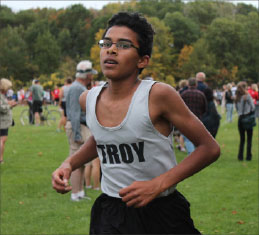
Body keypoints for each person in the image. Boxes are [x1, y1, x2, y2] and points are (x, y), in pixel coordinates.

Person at [52, 12, 220, 234]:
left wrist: (158, 185)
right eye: (107, 43)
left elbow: (209, 148)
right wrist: (69, 164)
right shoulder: (88, 98)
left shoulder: (158, 95)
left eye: (123, 45)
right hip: (110, 211)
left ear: (143, 60)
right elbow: (102, 139)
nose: (111, 50)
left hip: (160, 211)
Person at [65, 60, 97, 201]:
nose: (92, 76)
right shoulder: (77, 88)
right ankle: (75, 193)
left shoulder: (79, 87)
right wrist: (77, 133)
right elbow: (74, 113)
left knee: (83, 161)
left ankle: (80, 192)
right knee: (76, 162)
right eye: (90, 73)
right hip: (77, 126)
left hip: (82, 126)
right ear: (85, 74)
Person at [181, 77, 207, 154]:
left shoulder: (184, 94)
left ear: (188, 84)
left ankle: (192, 155)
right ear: (196, 84)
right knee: (196, 138)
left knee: (188, 138)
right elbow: (205, 108)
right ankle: (195, 154)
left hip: (186, 119)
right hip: (198, 119)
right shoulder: (201, 94)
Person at [235, 81, 255, 161]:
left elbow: (236, 108)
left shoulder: (237, 97)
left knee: (242, 139)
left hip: (240, 118)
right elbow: (253, 107)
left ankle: (240, 156)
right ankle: (248, 156)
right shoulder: (247, 96)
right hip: (247, 118)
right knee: (249, 138)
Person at [0, 78, 17, 164]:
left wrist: (9, 103)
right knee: (2, 140)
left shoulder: (2, 95)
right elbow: (1, 108)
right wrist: (10, 106)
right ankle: (0, 159)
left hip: (4, 121)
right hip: (2, 122)